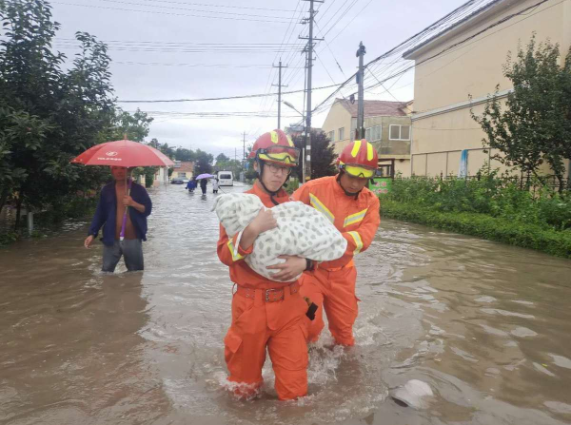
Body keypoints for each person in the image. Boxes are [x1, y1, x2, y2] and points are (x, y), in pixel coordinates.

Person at [217, 129, 312, 401]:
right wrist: (251, 230)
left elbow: (320, 248)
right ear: (257, 165)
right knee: (243, 392)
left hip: (291, 306)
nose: (278, 173)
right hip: (250, 308)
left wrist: (305, 263)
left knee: (295, 396)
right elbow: (224, 254)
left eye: (283, 168)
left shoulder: (295, 207)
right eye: (272, 165)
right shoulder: (237, 205)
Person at [292, 139, 381, 347]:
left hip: (343, 274)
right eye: (352, 175)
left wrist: (329, 240)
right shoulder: (313, 189)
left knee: (344, 332)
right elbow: (287, 218)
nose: (356, 183)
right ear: (340, 168)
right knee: (309, 322)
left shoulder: (370, 201)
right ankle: (306, 362)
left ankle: (346, 373)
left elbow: (364, 238)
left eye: (364, 178)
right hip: (311, 272)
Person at [84, 166, 153, 272]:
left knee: (135, 274)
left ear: (128, 170)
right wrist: (92, 233)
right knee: (106, 273)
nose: (119, 171)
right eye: (115, 168)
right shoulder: (107, 190)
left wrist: (133, 203)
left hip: (133, 238)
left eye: (122, 168)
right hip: (111, 239)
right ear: (112, 171)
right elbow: (100, 213)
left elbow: (147, 210)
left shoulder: (139, 190)